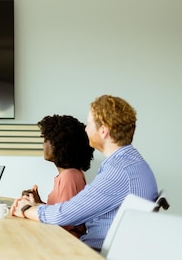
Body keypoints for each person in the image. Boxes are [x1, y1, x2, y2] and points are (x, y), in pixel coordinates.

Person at [11, 95, 158, 251]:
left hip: (97, 252)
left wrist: (26, 208)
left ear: (103, 131)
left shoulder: (119, 170)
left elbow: (63, 216)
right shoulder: (130, 164)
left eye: (89, 124)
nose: (86, 129)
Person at [20, 114, 94, 237]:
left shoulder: (70, 177)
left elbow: (64, 223)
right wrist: (38, 203)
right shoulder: (67, 175)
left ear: (58, 144)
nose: (43, 146)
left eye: (46, 140)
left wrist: (30, 208)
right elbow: (59, 213)